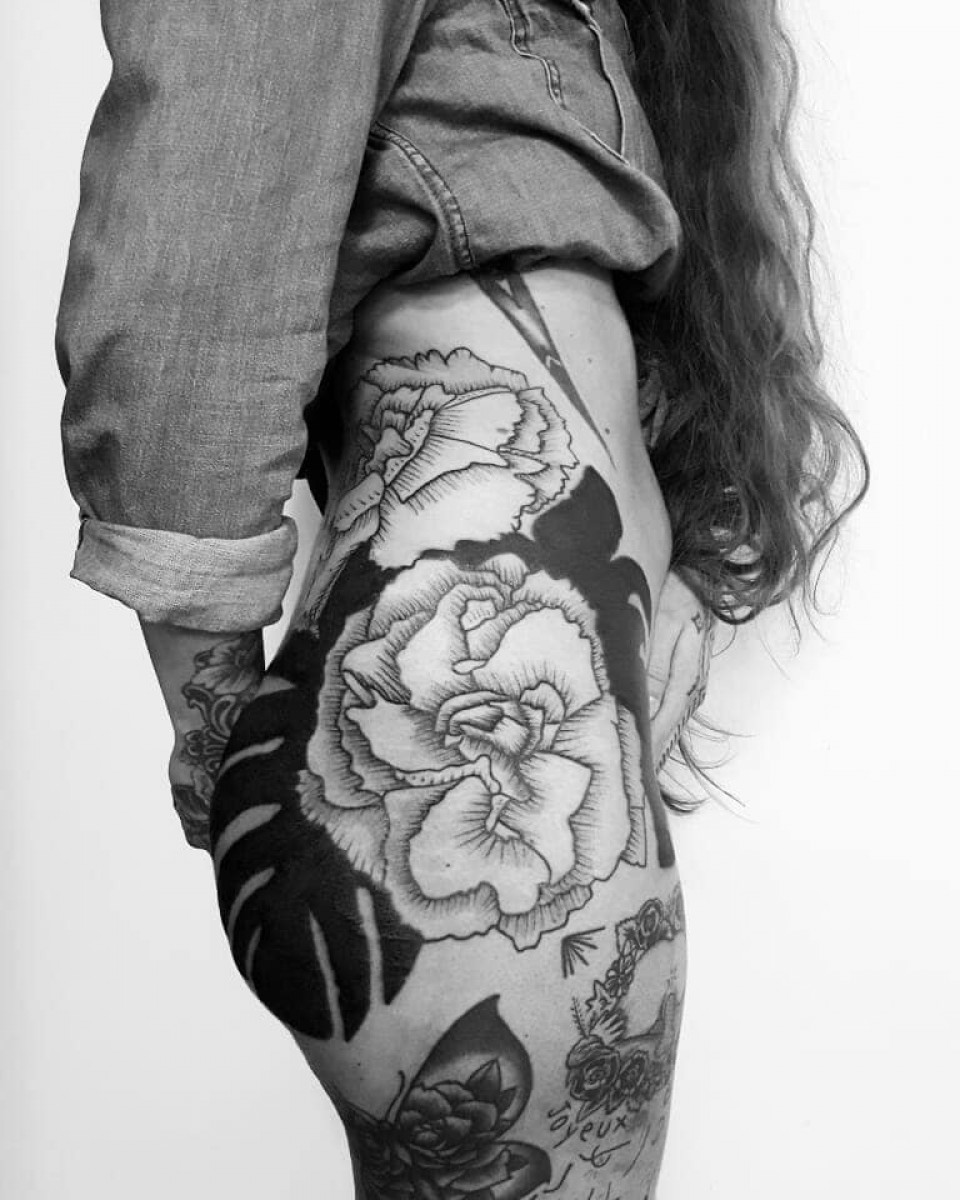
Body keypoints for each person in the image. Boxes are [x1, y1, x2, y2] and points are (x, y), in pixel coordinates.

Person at [55, 1, 867, 1196]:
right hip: (451, 805)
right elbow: (197, 243)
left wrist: (681, 567)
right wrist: (222, 732)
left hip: (517, 781)